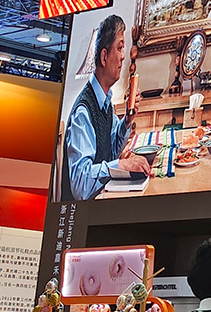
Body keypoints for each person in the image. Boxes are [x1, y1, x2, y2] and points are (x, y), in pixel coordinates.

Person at [64, 13, 151, 200]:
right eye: (119, 48)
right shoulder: (83, 112)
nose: (123, 57)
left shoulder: (105, 103)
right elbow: (80, 186)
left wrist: (127, 121)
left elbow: (111, 152)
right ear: (104, 56)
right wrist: (120, 165)